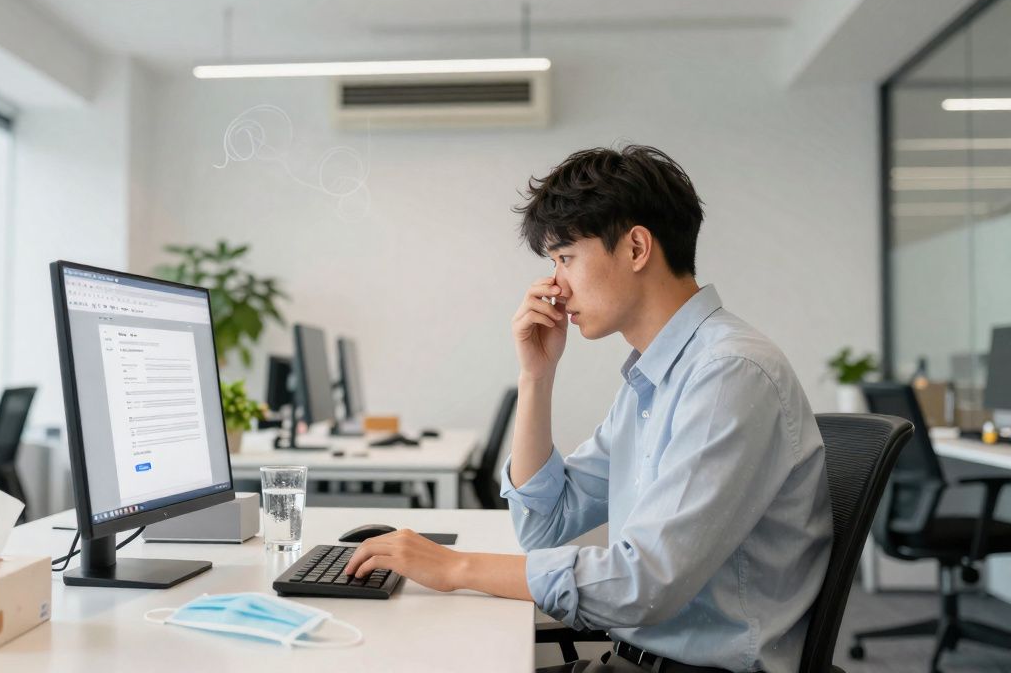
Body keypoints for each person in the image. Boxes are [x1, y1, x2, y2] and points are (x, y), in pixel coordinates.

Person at [343, 145, 833, 672]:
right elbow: (544, 524)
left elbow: (644, 584)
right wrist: (537, 376)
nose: (554, 285)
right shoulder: (655, 378)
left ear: (637, 247)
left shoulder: (727, 374)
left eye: (565, 258)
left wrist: (457, 566)